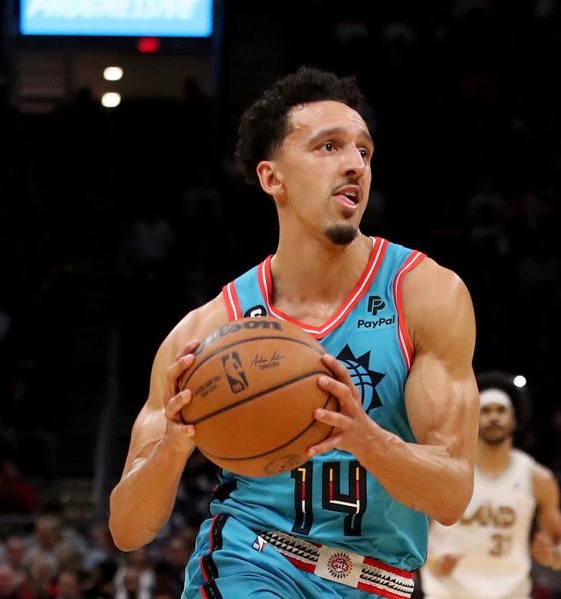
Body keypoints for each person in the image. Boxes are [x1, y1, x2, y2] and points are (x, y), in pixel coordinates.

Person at [109, 66, 479, 599]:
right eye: (328, 147)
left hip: (381, 582)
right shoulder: (209, 330)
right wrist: (172, 446)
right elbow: (127, 528)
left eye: (364, 151)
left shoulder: (424, 294)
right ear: (272, 178)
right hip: (253, 560)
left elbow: (451, 496)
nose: (354, 164)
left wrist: (361, 434)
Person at [420, 376, 561, 599]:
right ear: (473, 417)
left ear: (513, 419)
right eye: (486, 410)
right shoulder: (446, 467)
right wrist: (433, 562)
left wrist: (553, 555)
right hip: (447, 592)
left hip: (511, 593)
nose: (494, 417)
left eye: (501, 410)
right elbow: (411, 532)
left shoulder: (537, 478)